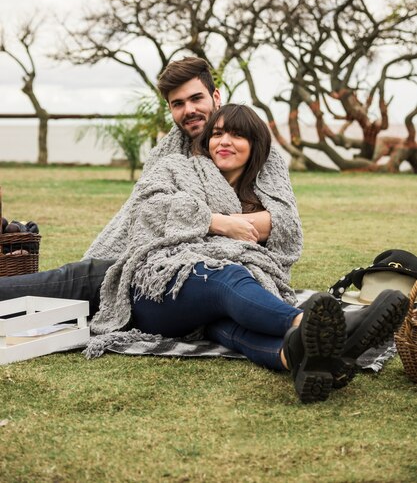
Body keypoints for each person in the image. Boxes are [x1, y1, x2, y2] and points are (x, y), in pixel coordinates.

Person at [85, 104, 409, 404]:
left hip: (210, 310)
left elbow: (288, 233)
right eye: (217, 133)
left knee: (230, 327)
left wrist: (230, 227)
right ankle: (312, 324)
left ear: (256, 145)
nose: (224, 141)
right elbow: (149, 210)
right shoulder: (177, 168)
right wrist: (216, 223)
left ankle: (300, 356)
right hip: (158, 288)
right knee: (226, 276)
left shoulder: (265, 193)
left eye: (237, 134)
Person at [0, 57, 301, 313]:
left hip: (204, 272)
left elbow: (283, 223)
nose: (189, 110)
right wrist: (214, 222)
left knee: (81, 281)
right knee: (79, 279)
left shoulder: (256, 149)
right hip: (152, 258)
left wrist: (210, 224)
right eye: (178, 104)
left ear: (216, 97)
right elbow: (146, 213)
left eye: (196, 98)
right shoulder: (167, 155)